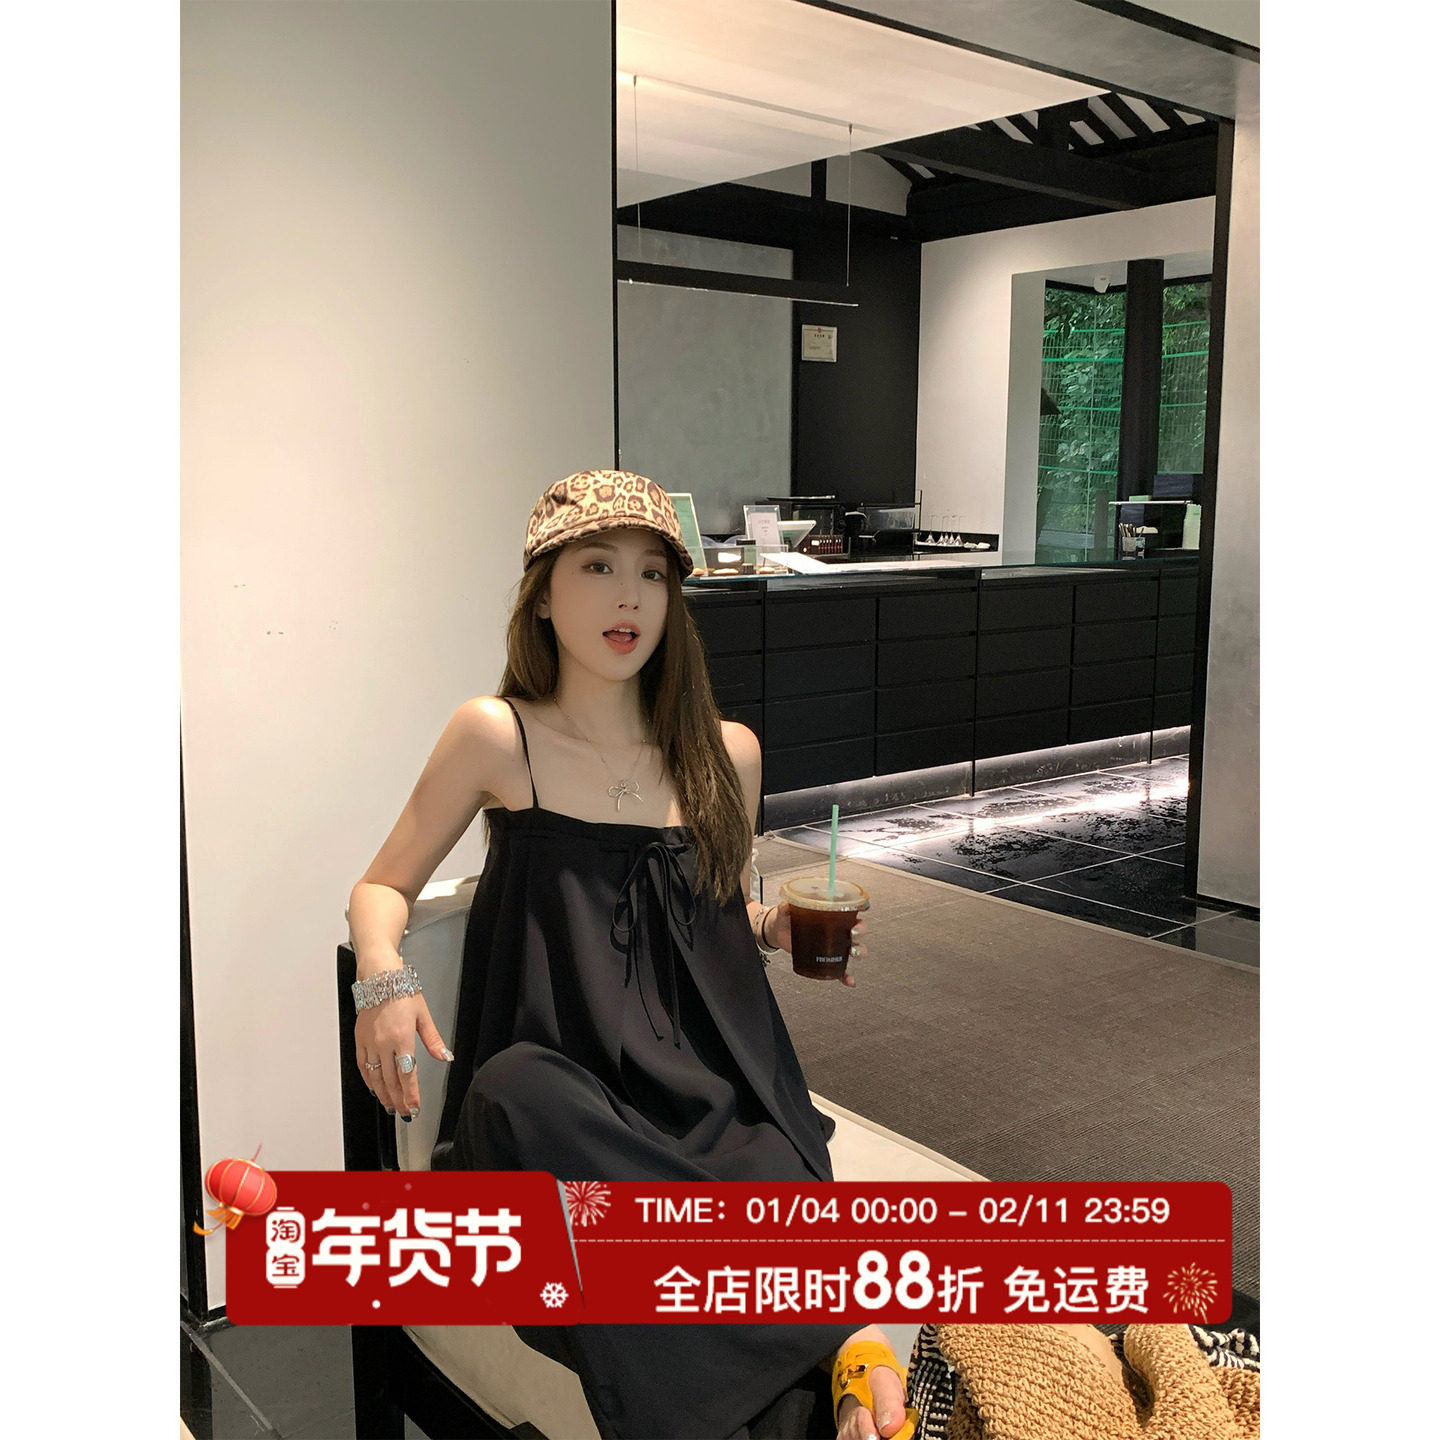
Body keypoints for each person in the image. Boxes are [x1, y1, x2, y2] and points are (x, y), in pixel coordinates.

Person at [348, 471, 914, 1440]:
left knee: (764, 1167)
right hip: (566, 1107)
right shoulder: (499, 737)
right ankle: (843, 1337)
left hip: (712, 1098)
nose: (629, 597)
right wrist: (382, 977)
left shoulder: (727, 753)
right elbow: (381, 886)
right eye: (598, 567)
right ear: (543, 593)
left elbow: (711, 908)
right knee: (514, 1093)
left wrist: (773, 928)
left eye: (653, 574)